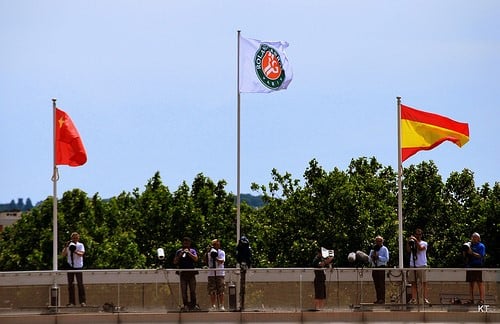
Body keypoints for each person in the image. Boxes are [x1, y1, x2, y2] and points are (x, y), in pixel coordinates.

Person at [173, 237, 200, 311]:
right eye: (185, 242)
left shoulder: (192, 250)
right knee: (183, 291)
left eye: (187, 242)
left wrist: (189, 253)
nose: (186, 244)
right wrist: (180, 254)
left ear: (190, 243)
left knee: (192, 290)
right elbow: (175, 261)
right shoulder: (179, 251)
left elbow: (196, 259)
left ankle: (193, 305)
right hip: (183, 274)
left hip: (191, 273)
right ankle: (185, 305)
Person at [61, 232, 87, 307]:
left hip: (78, 266)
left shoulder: (80, 245)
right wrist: (66, 247)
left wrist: (74, 251)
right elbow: (63, 255)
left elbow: (81, 254)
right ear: (71, 238)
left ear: (78, 238)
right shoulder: (69, 245)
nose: (75, 239)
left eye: (76, 238)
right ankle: (72, 302)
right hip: (70, 266)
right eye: (73, 238)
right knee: (70, 284)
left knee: (80, 284)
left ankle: (82, 301)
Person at [406, 228, 430, 305]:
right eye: (416, 234)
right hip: (413, 265)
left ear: (421, 235)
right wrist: (408, 241)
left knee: (423, 282)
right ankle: (413, 299)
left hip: (422, 265)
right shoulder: (412, 243)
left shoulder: (424, 243)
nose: (418, 236)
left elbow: (420, 248)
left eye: (419, 234)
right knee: (413, 282)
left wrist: (415, 240)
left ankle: (425, 298)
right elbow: (408, 250)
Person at [464, 232, 486, 305]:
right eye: (473, 237)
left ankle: (482, 299)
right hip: (470, 266)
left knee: (479, 283)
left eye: (475, 237)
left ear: (479, 238)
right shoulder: (470, 245)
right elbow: (465, 255)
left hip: (478, 265)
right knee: (471, 283)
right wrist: (466, 249)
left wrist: (472, 252)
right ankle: (471, 299)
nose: (473, 238)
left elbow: (480, 256)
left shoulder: (481, 246)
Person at [206, 239, 226, 311]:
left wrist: (215, 257)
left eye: (216, 244)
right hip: (211, 273)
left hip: (219, 273)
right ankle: (213, 305)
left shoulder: (222, 252)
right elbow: (205, 262)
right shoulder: (209, 253)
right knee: (212, 290)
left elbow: (221, 261)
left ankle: (221, 305)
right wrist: (208, 253)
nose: (215, 246)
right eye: (213, 245)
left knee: (221, 290)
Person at [369, 235, 389, 304]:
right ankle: (378, 299)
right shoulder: (372, 250)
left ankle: (382, 299)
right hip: (374, 267)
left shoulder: (384, 249)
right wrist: (372, 257)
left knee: (381, 284)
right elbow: (369, 260)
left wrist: (378, 257)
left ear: (382, 241)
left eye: (380, 241)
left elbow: (386, 259)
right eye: (377, 241)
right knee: (376, 284)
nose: (378, 242)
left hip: (381, 267)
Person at [236, 235, 252, 311]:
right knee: (242, 286)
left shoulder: (247, 248)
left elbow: (249, 257)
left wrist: (247, 264)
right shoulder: (240, 248)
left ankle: (243, 304)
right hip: (242, 264)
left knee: (243, 286)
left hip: (245, 264)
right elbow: (238, 256)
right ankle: (241, 304)